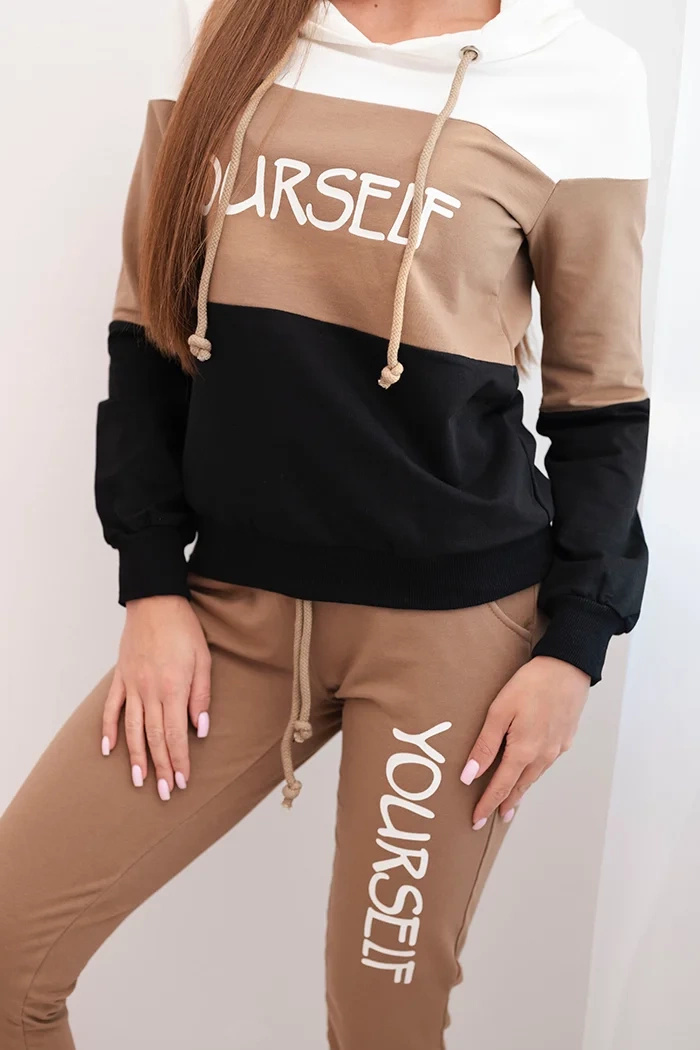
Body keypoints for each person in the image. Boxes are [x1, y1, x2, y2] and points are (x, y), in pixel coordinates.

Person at [0, 0, 652, 1046]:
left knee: (382, 1027)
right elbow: (146, 331)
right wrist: (152, 585)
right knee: (10, 952)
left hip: (452, 636)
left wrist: (575, 647)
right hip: (231, 613)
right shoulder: (231, 25)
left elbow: (600, 401)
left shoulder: (581, 74)